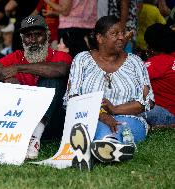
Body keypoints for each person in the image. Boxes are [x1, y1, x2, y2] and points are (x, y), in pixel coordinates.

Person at [64, 16, 154, 170]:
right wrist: (100, 114)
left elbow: (148, 101)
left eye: (123, 33)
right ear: (100, 38)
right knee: (96, 126)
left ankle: (95, 148)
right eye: (115, 34)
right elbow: (72, 98)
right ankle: (109, 147)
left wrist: (115, 110)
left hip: (129, 118)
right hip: (90, 117)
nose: (121, 37)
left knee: (122, 126)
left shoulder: (135, 62)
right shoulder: (82, 60)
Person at [0, 15, 72, 159]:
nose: (33, 40)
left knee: (51, 79)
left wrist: (19, 68)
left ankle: (34, 138)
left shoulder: (59, 55)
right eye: (28, 36)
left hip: (52, 122)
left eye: (38, 35)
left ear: (47, 36)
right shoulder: (17, 55)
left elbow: (61, 70)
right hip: (22, 120)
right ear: (22, 39)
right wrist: (7, 78)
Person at [141, 23, 175, 126]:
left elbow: (131, 77)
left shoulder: (159, 61)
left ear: (151, 47)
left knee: (131, 108)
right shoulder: (171, 58)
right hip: (169, 113)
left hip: (166, 114)